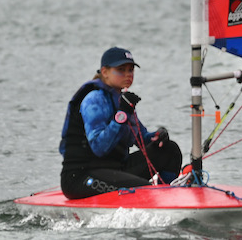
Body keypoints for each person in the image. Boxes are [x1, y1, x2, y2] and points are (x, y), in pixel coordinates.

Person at [59, 47, 182, 199]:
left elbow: (142, 140)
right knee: (144, 189)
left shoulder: (121, 100)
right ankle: (154, 197)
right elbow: (99, 148)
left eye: (131, 70)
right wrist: (122, 115)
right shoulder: (93, 99)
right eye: (121, 70)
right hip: (81, 176)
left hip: (115, 169)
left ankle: (167, 197)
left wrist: (158, 136)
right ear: (105, 72)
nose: (128, 74)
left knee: (170, 150)